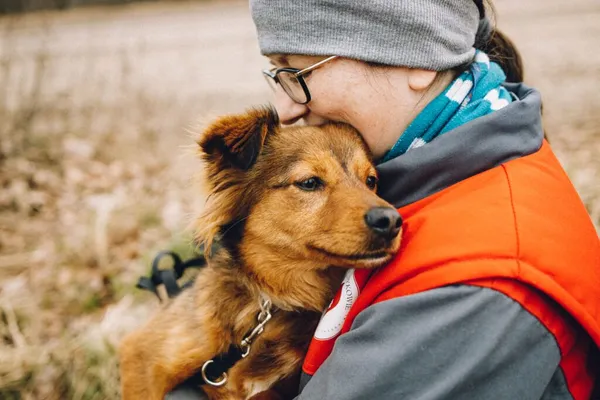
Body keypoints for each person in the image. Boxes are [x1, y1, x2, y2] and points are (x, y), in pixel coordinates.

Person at [168, 0, 600, 398]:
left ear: (417, 60)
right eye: (275, 72)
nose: (284, 108)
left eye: (299, 74)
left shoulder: (475, 290)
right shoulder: (428, 174)